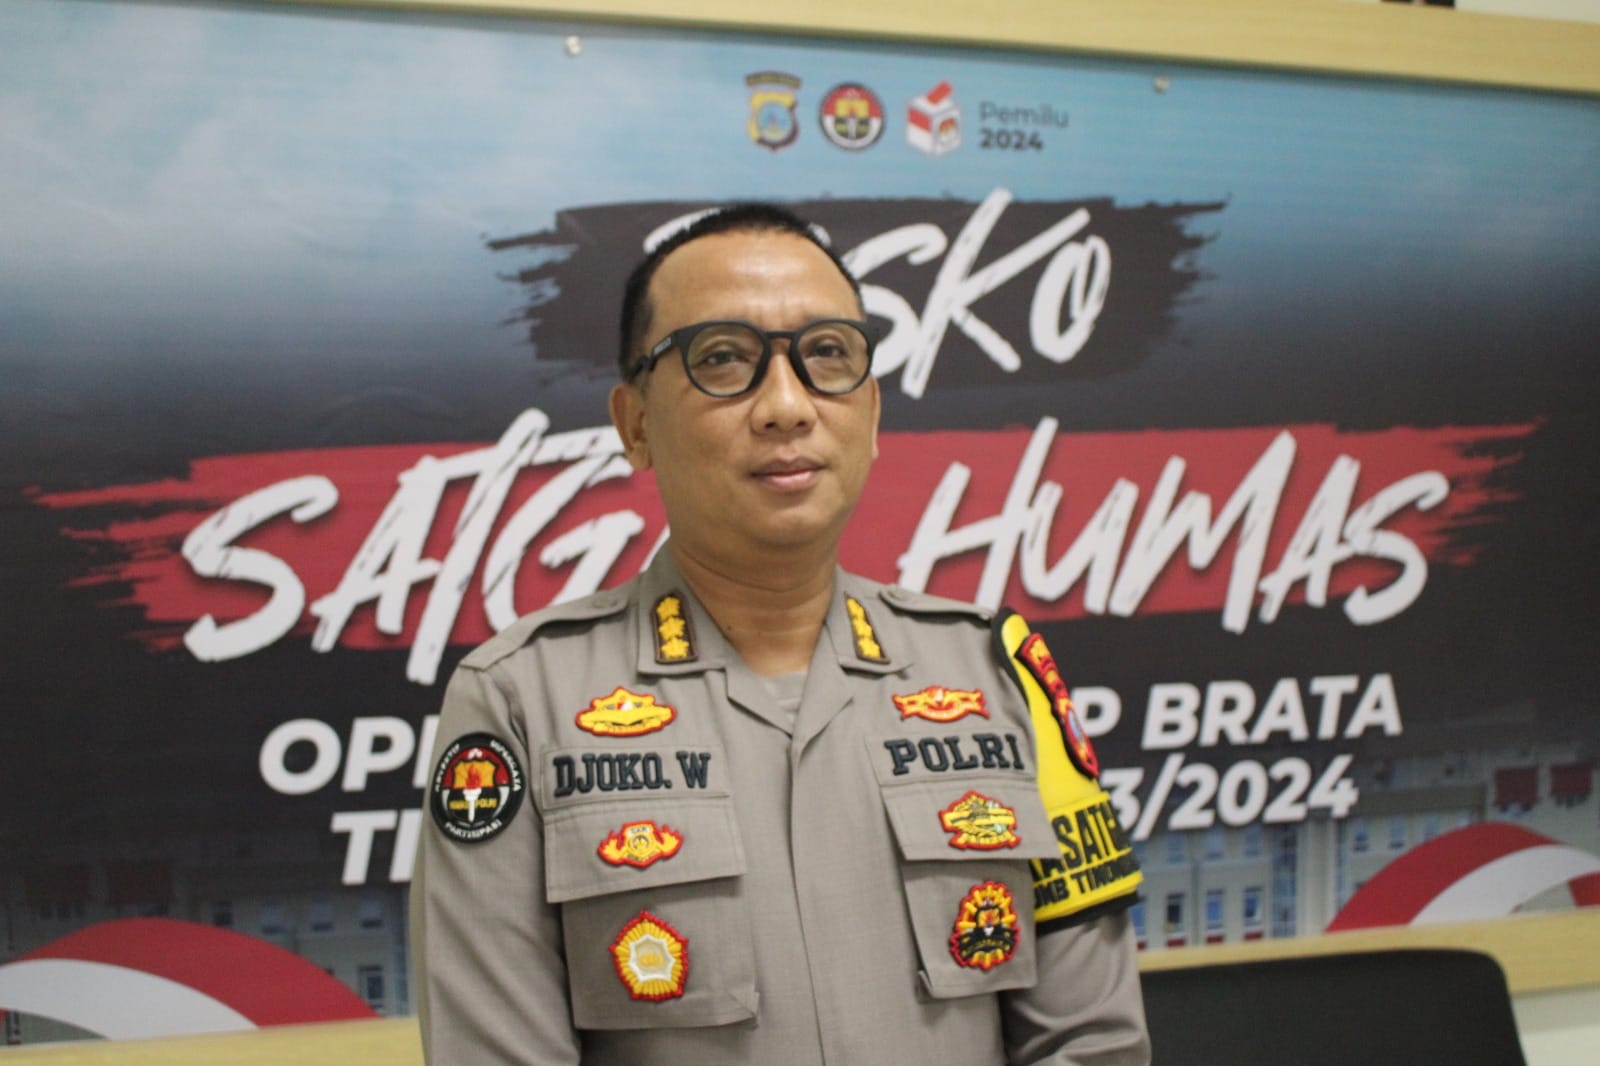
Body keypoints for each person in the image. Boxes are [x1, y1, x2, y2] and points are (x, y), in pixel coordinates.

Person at [410, 203, 1150, 1065]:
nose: (787, 407)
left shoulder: (995, 673)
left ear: (871, 412)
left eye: (827, 354)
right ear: (635, 424)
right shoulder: (519, 701)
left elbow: (1091, 1044)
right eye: (723, 358)